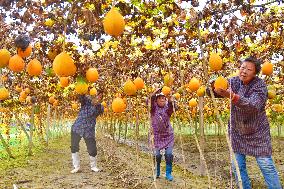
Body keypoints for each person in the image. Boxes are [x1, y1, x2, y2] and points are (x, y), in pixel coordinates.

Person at [208, 57, 282, 189]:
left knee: (266, 166)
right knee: (238, 167)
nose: (244, 71)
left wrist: (233, 96)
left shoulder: (260, 85)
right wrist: (212, 88)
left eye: (249, 69)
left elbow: (253, 105)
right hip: (237, 132)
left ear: (255, 73)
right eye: (242, 68)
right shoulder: (234, 81)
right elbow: (219, 90)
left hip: (258, 132)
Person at [70, 90, 104, 174]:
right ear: (92, 96)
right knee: (74, 146)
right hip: (77, 127)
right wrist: (84, 87)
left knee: (92, 148)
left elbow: (99, 111)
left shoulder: (100, 107)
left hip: (89, 130)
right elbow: (81, 96)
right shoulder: (86, 101)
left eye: (99, 97)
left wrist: (97, 103)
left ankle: (94, 166)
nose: (97, 98)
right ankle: (76, 167)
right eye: (96, 96)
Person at [149, 88, 177, 181]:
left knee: (169, 154)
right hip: (156, 136)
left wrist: (171, 100)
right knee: (157, 155)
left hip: (168, 135)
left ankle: (168, 173)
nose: (162, 100)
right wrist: (154, 93)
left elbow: (172, 107)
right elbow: (149, 100)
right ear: (156, 100)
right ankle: (157, 171)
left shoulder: (167, 109)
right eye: (160, 98)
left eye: (163, 98)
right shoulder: (153, 109)